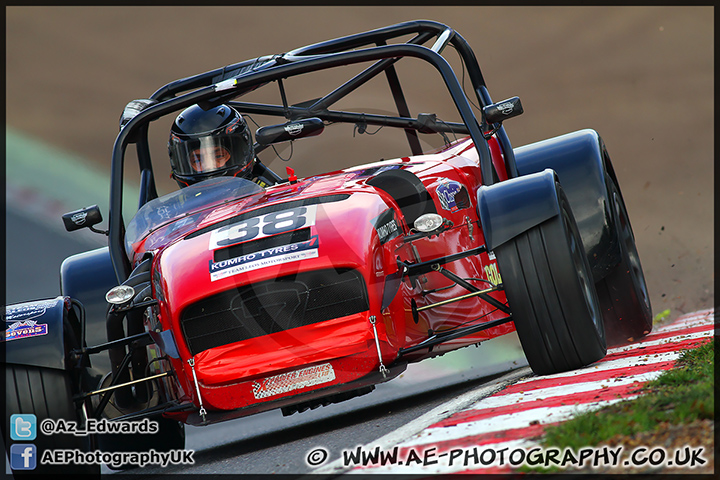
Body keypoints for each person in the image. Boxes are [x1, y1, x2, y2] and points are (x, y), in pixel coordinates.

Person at [168, 104, 256, 188]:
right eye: (197, 160)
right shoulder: (175, 204)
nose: (208, 166)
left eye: (218, 156)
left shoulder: (266, 195)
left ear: (238, 153)